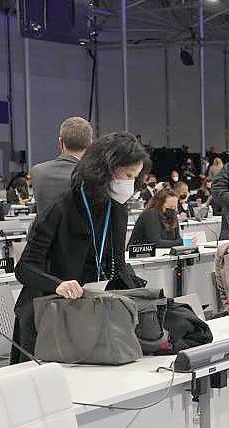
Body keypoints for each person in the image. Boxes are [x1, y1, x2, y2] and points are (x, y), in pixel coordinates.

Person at [11, 132, 148, 364]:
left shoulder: (117, 209)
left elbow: (116, 264)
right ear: (106, 169)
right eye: (127, 175)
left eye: (135, 176)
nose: (130, 184)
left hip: (91, 318)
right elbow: (24, 269)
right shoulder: (60, 208)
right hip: (49, 319)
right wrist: (59, 284)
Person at [29, 116, 93, 219]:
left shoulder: (37, 172)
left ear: (60, 142)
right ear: (90, 144)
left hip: (43, 234)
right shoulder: (93, 176)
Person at [128, 188, 196, 248]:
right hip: (139, 254)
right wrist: (183, 242)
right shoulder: (150, 214)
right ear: (159, 204)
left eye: (174, 207)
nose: (172, 210)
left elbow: (177, 238)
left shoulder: (173, 214)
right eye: (169, 207)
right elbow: (155, 242)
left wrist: (185, 242)